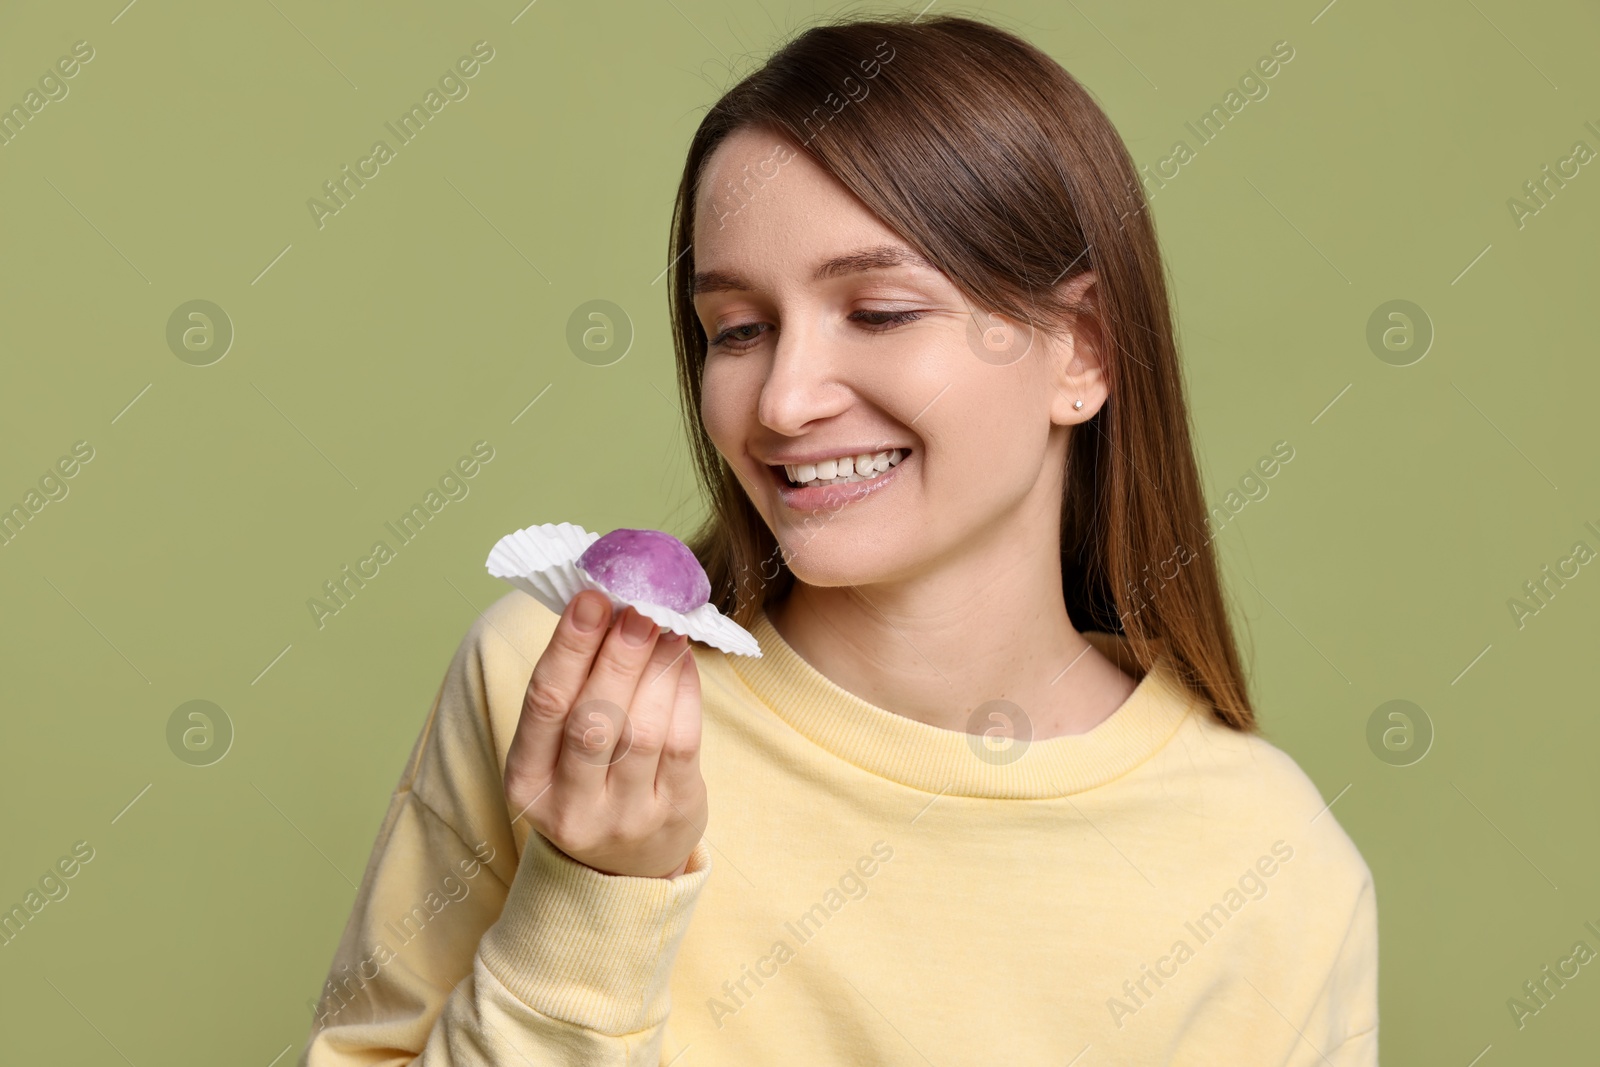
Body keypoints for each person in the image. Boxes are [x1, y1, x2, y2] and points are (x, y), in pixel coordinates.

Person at [300, 12, 1377, 1065]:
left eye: (878, 311)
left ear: (1079, 351)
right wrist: (591, 893)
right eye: (738, 329)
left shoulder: (1269, 865)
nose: (783, 399)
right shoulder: (557, 689)